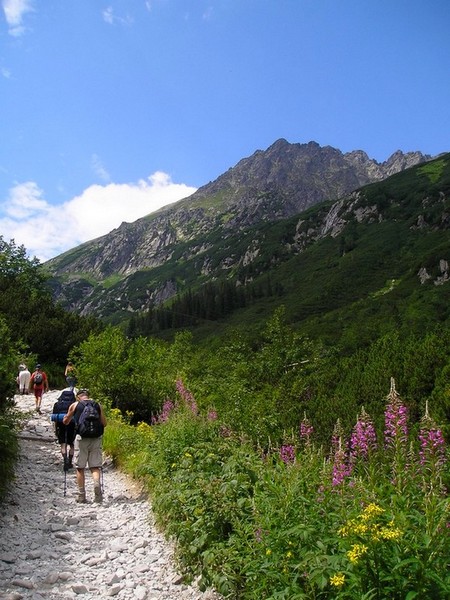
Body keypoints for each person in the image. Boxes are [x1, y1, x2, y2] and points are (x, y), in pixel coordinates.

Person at [63, 389, 107, 503]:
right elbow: (104, 423)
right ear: (88, 396)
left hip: (81, 438)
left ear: (78, 397)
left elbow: (66, 421)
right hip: (96, 438)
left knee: (80, 467)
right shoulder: (97, 405)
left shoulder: (75, 405)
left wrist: (66, 418)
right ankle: (97, 487)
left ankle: (81, 496)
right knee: (95, 466)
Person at [52, 386, 77, 470]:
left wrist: (55, 429)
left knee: (63, 443)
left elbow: (55, 419)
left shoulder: (57, 404)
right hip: (72, 425)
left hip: (61, 424)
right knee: (72, 444)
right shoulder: (74, 405)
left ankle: (65, 459)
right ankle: (70, 461)